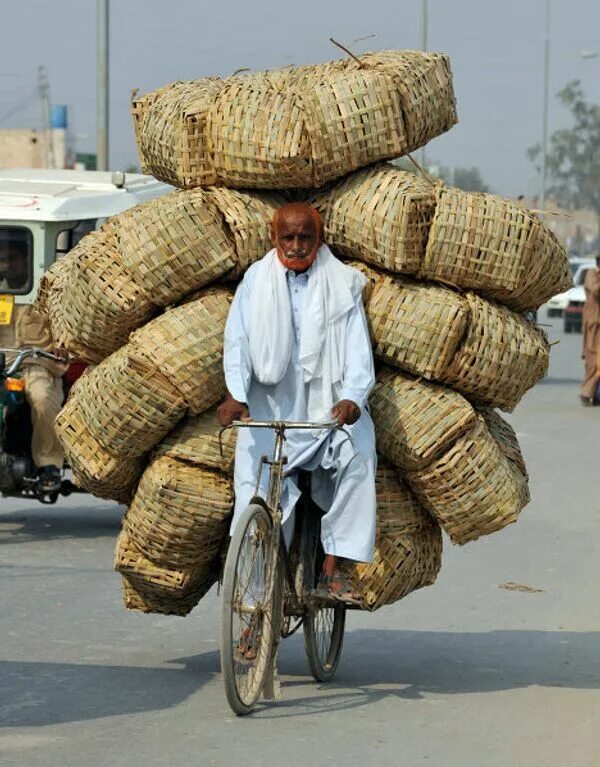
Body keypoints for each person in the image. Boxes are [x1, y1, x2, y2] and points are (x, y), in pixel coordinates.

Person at [217, 202, 376, 604]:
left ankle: (333, 567)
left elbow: (359, 349)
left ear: (318, 238)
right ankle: (251, 611)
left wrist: (353, 399)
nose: (296, 245)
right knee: (254, 507)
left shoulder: (341, 282)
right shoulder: (257, 279)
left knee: (359, 457)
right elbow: (237, 340)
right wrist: (236, 393)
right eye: (287, 237)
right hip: (269, 413)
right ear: (275, 238)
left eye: (305, 236)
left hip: (327, 414)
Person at [0, 233, 68, 491]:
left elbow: (66, 330)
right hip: (3, 366)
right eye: (3, 259)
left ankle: (49, 465)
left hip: (37, 365)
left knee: (42, 398)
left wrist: (63, 348)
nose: (7, 265)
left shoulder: (49, 293)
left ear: (27, 260)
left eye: (13, 259)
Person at [580, 254, 600, 406]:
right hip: (594, 324)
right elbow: (595, 291)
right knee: (593, 360)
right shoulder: (592, 274)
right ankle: (587, 393)